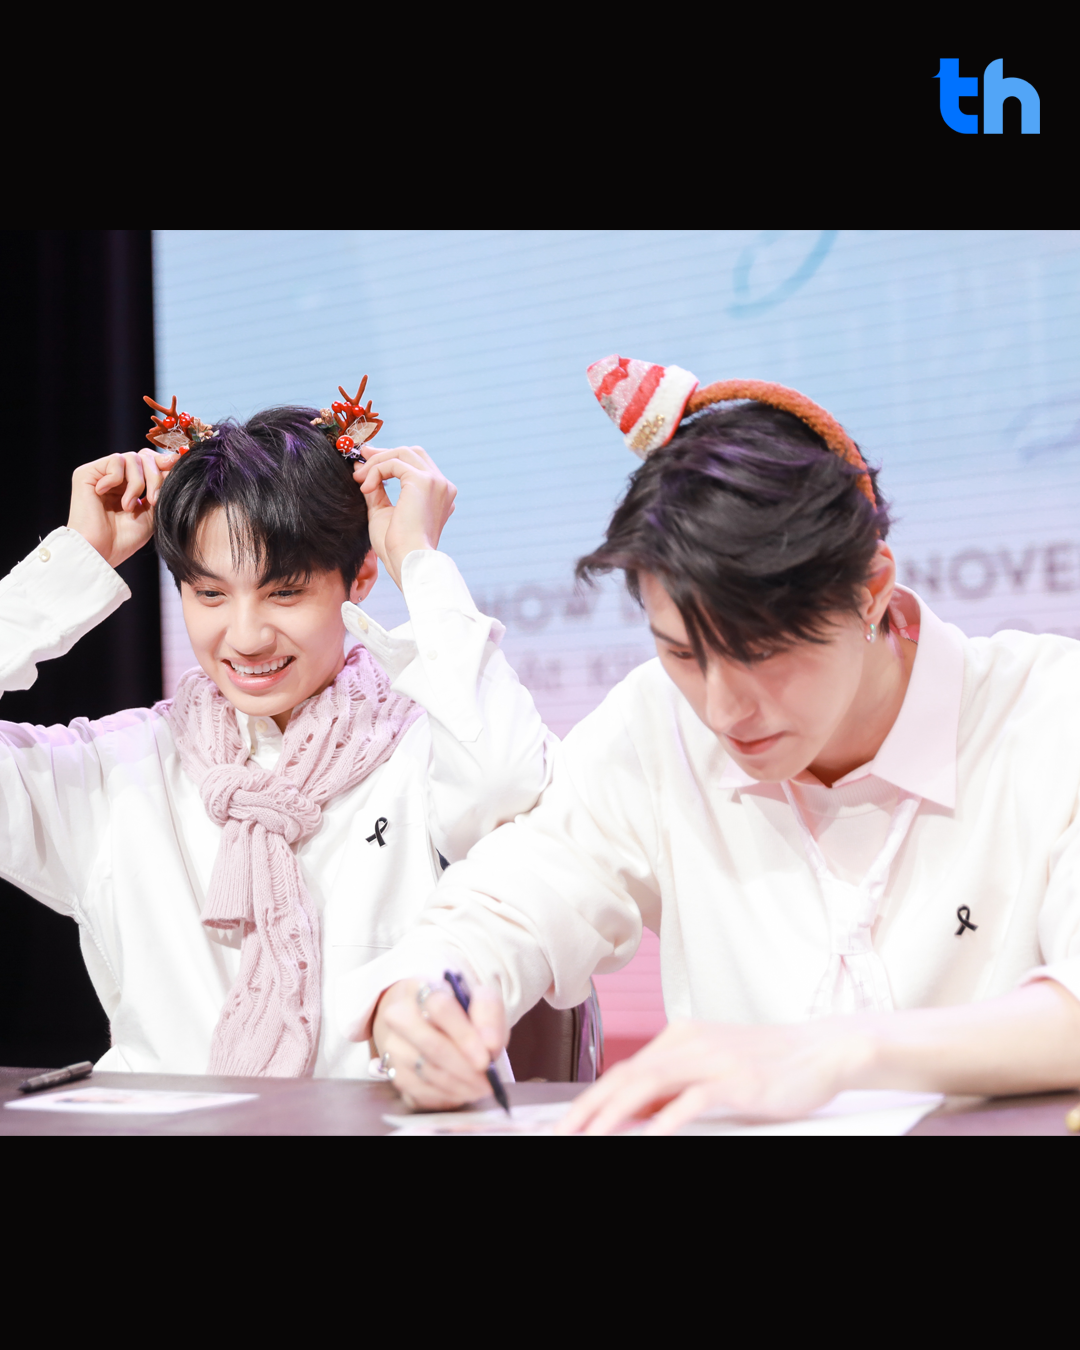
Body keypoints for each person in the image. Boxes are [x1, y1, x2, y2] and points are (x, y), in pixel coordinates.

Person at [352, 355, 1080, 1132]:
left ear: (870, 591)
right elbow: (513, 898)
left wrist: (837, 1054)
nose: (723, 708)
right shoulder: (656, 723)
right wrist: (422, 994)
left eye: (762, 652)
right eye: (683, 653)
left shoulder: (1048, 715)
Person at [0, 383, 552, 1077]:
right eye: (209, 593)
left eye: (284, 591)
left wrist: (420, 561)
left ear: (361, 577)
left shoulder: (431, 747)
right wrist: (73, 565)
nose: (246, 636)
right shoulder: (118, 769)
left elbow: (513, 787)